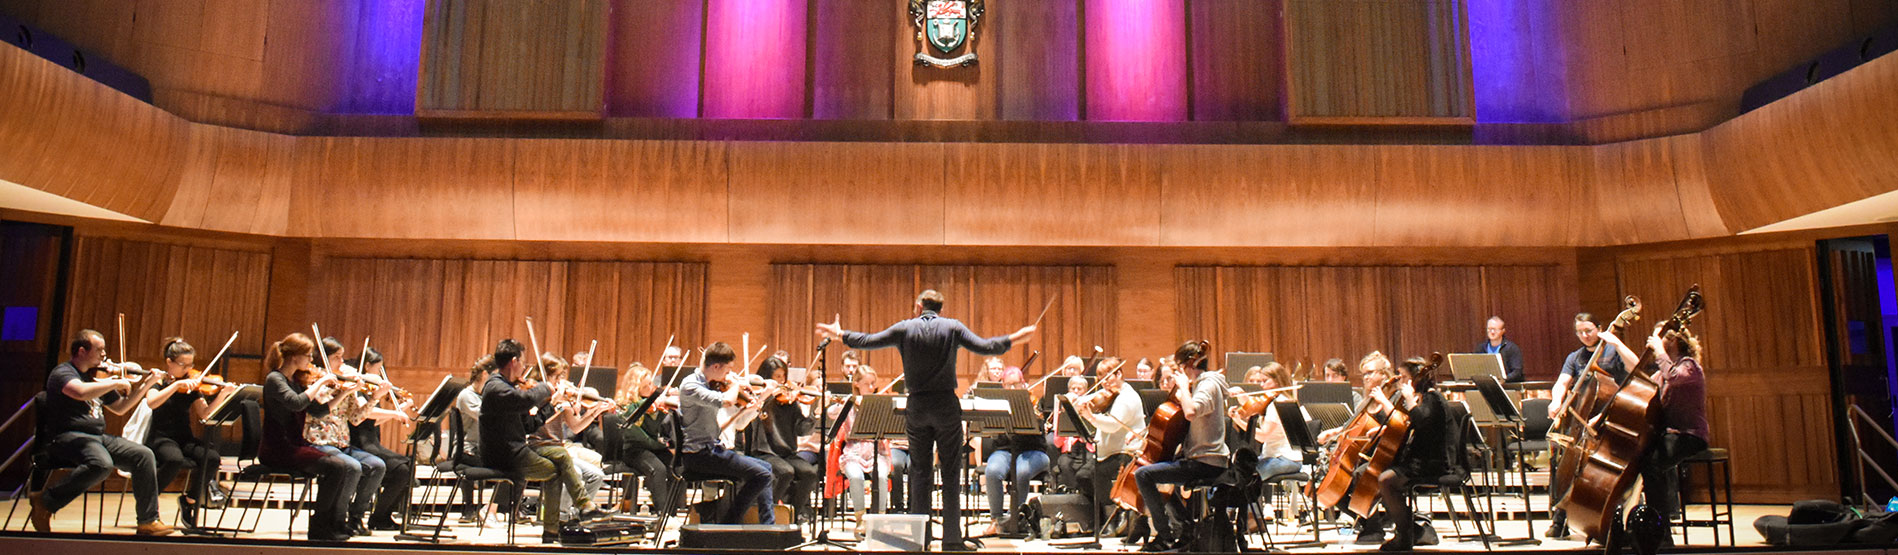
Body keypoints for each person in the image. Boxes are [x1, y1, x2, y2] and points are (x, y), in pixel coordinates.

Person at [816, 289, 1035, 551]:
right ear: (940, 308)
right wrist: (1015, 338)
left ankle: (921, 538)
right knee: (952, 472)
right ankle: (952, 541)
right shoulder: (953, 327)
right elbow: (986, 346)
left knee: (920, 473)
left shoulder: (905, 328)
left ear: (918, 306)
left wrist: (840, 334)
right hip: (945, 405)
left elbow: (868, 341)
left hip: (917, 405)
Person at [30, 329, 174, 536]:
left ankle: (148, 521)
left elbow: (121, 407)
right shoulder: (63, 373)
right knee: (101, 464)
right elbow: (79, 392)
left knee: (143, 455)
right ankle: (46, 501)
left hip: (96, 438)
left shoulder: (95, 379)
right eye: (99, 350)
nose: (104, 356)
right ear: (81, 351)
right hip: (66, 437)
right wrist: (114, 382)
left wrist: (146, 385)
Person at [479, 339, 602, 542]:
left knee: (559, 463)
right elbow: (524, 401)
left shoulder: (509, 388)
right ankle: (562, 523)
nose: (524, 367)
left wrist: (552, 405)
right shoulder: (496, 387)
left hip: (515, 451)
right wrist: (546, 388)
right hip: (504, 455)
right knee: (558, 468)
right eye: (523, 361)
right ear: (514, 361)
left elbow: (530, 425)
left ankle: (557, 527)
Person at [258, 333, 364, 541]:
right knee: (336, 466)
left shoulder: (295, 380)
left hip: (294, 445)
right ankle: (319, 527)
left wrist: (344, 392)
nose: (311, 360)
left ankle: (328, 523)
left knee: (339, 465)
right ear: (295, 357)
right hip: (277, 448)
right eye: (308, 355)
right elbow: (296, 403)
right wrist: (322, 380)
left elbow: (319, 411)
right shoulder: (275, 379)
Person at [1544, 312, 1639, 538]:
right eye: (1580, 332)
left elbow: (1636, 367)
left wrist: (1616, 342)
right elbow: (1562, 382)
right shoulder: (1575, 357)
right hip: (1582, 420)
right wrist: (1556, 400)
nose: (1585, 335)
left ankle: (1608, 516)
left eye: (1589, 330)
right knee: (1561, 461)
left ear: (1599, 327)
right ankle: (1560, 518)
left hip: (1609, 418)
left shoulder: (1611, 350)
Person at [1132, 341, 1229, 552]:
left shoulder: (1207, 384)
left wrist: (1184, 388)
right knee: (1161, 472)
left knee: (1144, 475)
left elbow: (1191, 412)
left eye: (1178, 368)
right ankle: (1185, 529)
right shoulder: (1203, 384)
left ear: (1189, 365)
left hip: (1207, 462)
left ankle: (1165, 536)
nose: (1177, 375)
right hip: (1200, 459)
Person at [677, 341, 778, 524]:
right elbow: (726, 402)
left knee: (766, 470)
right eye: (727, 369)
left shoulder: (710, 383)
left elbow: (734, 417)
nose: (729, 374)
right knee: (762, 475)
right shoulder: (691, 386)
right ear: (716, 366)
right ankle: (729, 523)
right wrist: (735, 385)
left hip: (712, 450)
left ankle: (767, 525)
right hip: (698, 455)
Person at [144, 337, 236, 531]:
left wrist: (222, 394)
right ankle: (148, 504)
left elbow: (204, 414)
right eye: (182, 364)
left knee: (211, 458)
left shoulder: (192, 386)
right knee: (173, 460)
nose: (188, 369)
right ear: (169, 362)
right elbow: (151, 402)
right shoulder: (158, 381)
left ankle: (189, 501)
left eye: (190, 364)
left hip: (184, 437)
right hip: (160, 437)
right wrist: (175, 386)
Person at [1374, 356, 1454, 551]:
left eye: (1402, 377)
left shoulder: (1433, 398)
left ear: (1415, 379)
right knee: (1373, 474)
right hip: (1419, 460)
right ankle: (1407, 531)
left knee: (1385, 480)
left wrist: (1409, 399)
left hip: (1432, 463)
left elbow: (1423, 426)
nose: (1400, 381)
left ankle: (1405, 533)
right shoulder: (1425, 398)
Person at [1640, 326, 1709, 545]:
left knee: (1651, 464)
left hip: (1691, 436)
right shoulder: (1663, 371)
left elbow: (1673, 378)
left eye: (1661, 336)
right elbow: (1643, 384)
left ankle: (1662, 533)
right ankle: (1651, 528)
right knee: (1645, 458)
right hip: (1672, 437)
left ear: (1673, 341)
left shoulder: (1690, 366)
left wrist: (1658, 350)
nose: (1655, 339)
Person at [346, 347, 415, 530]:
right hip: (360, 443)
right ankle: (378, 517)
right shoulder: (357, 387)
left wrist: (400, 411)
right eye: (378, 368)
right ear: (367, 366)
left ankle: (382, 515)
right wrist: (394, 413)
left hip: (371, 441)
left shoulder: (369, 390)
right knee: (402, 470)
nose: (380, 374)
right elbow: (363, 414)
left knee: (407, 466)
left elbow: (372, 423)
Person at [742, 357, 818, 523]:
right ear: (766, 376)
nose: (782, 381)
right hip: (764, 451)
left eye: (783, 376)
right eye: (777, 376)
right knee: (785, 472)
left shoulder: (789, 401)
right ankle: (768, 513)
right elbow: (754, 416)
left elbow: (802, 430)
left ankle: (792, 516)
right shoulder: (759, 397)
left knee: (810, 473)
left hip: (786, 452)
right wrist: (768, 395)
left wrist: (815, 413)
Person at [980, 367, 1050, 537]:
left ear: (1023, 383)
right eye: (1008, 385)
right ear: (1002, 385)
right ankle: (996, 520)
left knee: (1022, 471)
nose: (1012, 389)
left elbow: (1040, 428)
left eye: (1016, 385)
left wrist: (1033, 415)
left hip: (1033, 451)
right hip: (1005, 450)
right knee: (992, 471)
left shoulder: (1033, 401)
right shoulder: (998, 404)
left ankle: (1016, 519)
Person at [1079, 360, 1146, 531]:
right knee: (1083, 476)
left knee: (1097, 473)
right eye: (1101, 377)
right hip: (1108, 453)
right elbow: (1088, 398)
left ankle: (1118, 514)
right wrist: (1076, 400)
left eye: (1109, 377)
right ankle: (1102, 516)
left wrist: (1090, 417)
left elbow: (1112, 425)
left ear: (1119, 374)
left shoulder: (1127, 398)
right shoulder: (1112, 393)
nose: (1105, 382)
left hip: (1125, 453)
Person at [614, 362, 675, 515]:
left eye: (651, 384)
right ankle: (662, 513)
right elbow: (639, 437)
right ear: (635, 387)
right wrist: (651, 405)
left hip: (654, 448)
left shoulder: (655, 406)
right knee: (658, 469)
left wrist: (660, 412)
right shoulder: (626, 406)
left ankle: (672, 512)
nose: (652, 388)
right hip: (634, 451)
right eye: (646, 385)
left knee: (677, 467)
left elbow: (656, 431)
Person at [1474, 316, 1526, 382]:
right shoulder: (1480, 348)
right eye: (1489, 329)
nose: (1492, 332)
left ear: (1503, 331)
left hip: (1508, 387)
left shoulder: (1512, 348)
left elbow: (1517, 371)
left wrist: (1504, 379)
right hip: (1486, 385)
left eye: (1495, 329)